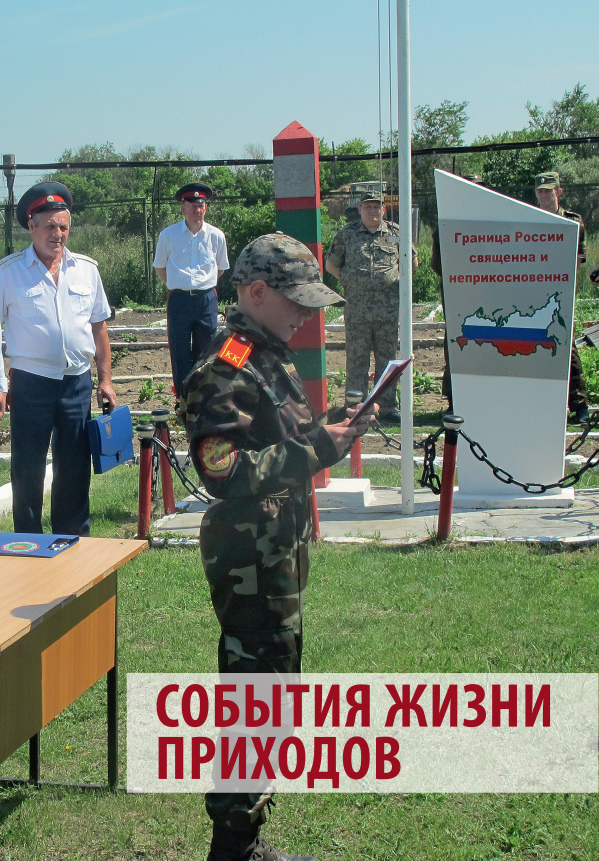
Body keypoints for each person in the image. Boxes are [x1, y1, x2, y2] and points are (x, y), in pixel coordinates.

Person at [179, 233, 376, 861]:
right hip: (250, 561)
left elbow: (278, 437)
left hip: (275, 550)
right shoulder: (226, 366)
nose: (306, 315)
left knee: (273, 693)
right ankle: (234, 847)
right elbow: (222, 471)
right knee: (256, 698)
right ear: (258, 292)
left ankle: (244, 840)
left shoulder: (267, 352)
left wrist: (332, 429)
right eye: (298, 301)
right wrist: (317, 448)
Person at [0, 181, 116, 535]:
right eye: (50, 226)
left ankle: (73, 540)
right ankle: (28, 543)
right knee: (28, 469)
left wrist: (106, 380)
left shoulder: (86, 270)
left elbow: (99, 329)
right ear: (31, 225)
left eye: (64, 227)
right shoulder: (8, 272)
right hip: (30, 383)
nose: (58, 234)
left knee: (74, 468)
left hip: (76, 383)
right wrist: (1, 384)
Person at [325, 191, 417, 422]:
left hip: (388, 310)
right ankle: (355, 407)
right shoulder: (346, 235)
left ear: (383, 209)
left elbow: (412, 262)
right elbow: (331, 265)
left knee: (387, 360)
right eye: (368, 207)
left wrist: (395, 279)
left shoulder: (395, 233)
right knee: (357, 359)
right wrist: (350, 280)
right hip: (357, 310)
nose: (373, 211)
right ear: (359, 209)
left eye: (377, 207)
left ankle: (387, 408)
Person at [153, 182, 229, 398]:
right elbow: (160, 267)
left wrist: (201, 285)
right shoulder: (169, 235)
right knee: (179, 351)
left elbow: (221, 268)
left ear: (206, 208)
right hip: (179, 299)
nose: (198, 210)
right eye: (193, 206)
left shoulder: (216, 236)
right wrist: (178, 284)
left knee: (207, 350)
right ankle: (183, 399)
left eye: (201, 205)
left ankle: (204, 397)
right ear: (183, 208)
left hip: (206, 299)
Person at [535, 171, 589, 423]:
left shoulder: (573, 222)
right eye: (540, 191)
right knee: (536, 346)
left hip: (561, 291)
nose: (544, 195)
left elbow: (577, 261)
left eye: (548, 190)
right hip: (534, 291)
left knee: (567, 346)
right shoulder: (529, 219)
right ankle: (544, 405)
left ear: (559, 192)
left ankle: (579, 405)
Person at [431, 175, 485, 413]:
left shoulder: (493, 219)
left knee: (487, 344)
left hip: (487, 295)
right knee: (457, 344)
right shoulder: (446, 222)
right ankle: (454, 400)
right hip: (457, 295)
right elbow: (437, 263)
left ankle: (485, 397)